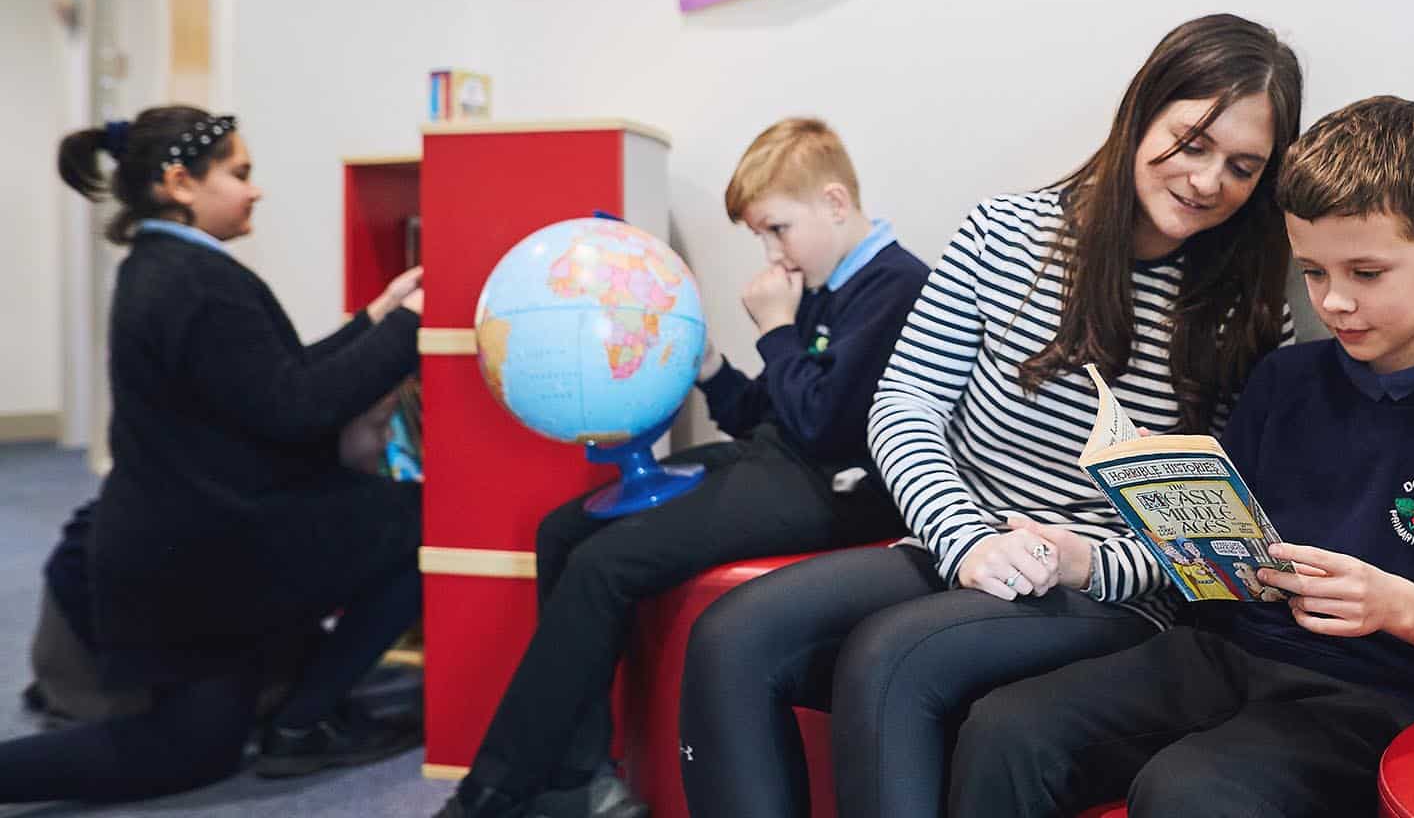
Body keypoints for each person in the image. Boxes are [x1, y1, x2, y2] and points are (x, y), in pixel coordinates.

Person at [678, 14, 1305, 818]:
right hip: (957, 547)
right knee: (732, 636)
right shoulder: (1003, 234)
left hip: (1106, 594)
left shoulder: (1245, 313)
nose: (1210, 179)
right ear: (1142, 113)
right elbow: (903, 408)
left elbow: (1215, 531)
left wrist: (1084, 560)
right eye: (1192, 142)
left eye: (1243, 166)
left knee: (893, 656)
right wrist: (965, 537)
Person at [947, 95, 1414, 818]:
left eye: (1366, 273)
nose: (1335, 301)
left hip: (1377, 697)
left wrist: (1405, 606)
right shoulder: (1286, 380)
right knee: (1007, 728)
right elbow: (1222, 565)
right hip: (1223, 654)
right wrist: (1173, 499)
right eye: (1313, 272)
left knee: (1189, 790)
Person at [439, 118, 929, 818]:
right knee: (562, 532)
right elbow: (770, 408)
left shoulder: (895, 286)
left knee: (605, 565)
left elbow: (823, 423)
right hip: (778, 458)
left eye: (777, 228)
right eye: (760, 235)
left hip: (838, 488)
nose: (770, 252)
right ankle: (578, 774)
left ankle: (495, 789)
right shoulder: (824, 281)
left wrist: (776, 327)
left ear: (835, 203)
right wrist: (711, 368)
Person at [0, 106, 426, 803]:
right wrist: (409, 326)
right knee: (423, 522)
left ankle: (297, 715)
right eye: (240, 174)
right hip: (216, 552)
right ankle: (303, 722)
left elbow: (274, 380)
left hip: (183, 547)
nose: (255, 190)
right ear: (181, 183)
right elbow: (298, 410)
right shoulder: (196, 283)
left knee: (190, 749)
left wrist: (375, 317)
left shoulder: (167, 267)